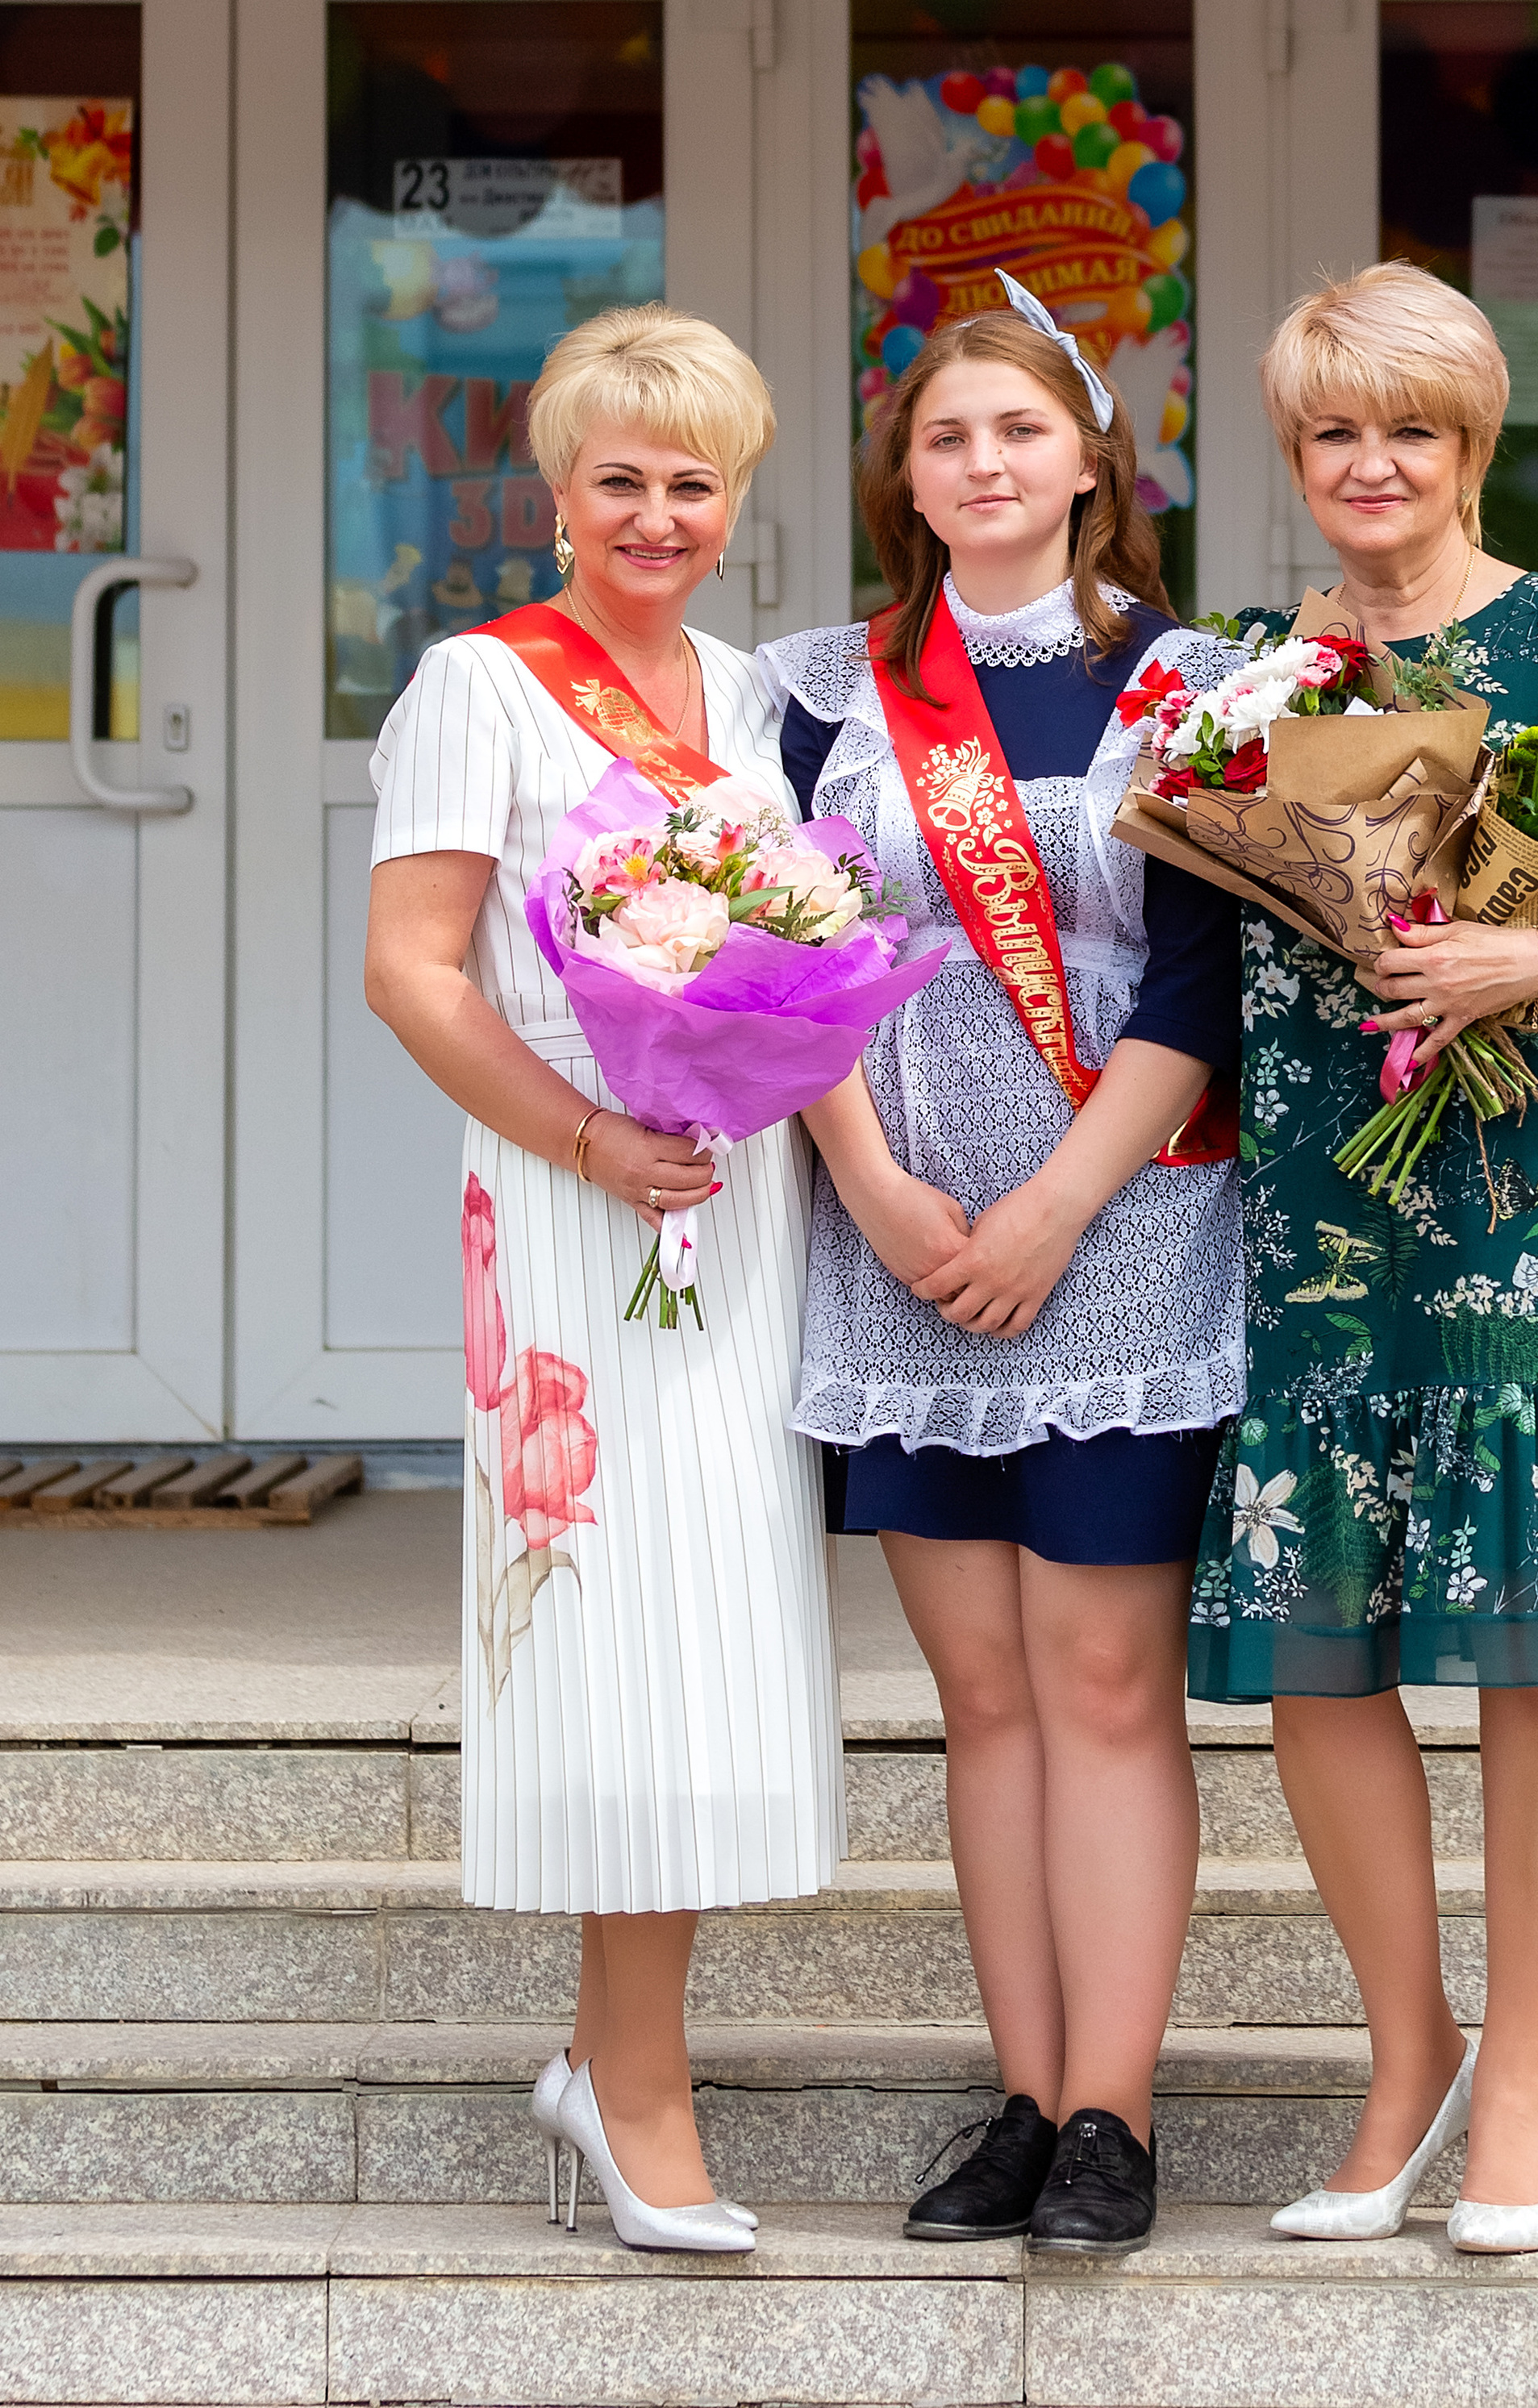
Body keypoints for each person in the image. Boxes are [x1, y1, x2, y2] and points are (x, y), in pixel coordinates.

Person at [1188, 264, 1538, 2256]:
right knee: (1319, 1655)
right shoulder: (1237, 667)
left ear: (1468, 444)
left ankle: (1524, 2065)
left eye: (1407, 431)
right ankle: (1403, 2051)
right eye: (1333, 431)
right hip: (1322, 1199)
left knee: (1537, 1636)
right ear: (1293, 450)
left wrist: (1525, 953)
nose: (1370, 464)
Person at [761, 290, 1243, 2259]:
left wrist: (1056, 1202)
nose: (981, 467)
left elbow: (1213, 973)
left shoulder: (1193, 687)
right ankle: (1024, 2096)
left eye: (1017, 434)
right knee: (980, 1698)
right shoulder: (817, 688)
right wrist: (871, 1189)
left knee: (1105, 1679)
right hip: (896, 1233)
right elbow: (768, 963)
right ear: (908, 473)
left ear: (1088, 458)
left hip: (1120, 1227)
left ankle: (1115, 2113)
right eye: (946, 437)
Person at [363, 302, 843, 2258]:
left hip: (726, 1197)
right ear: (556, 493)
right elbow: (415, 968)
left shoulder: (747, 696)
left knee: (714, 1619)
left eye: (694, 481)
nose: (657, 512)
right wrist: (583, 1138)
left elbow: (795, 945)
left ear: (737, 500)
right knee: (612, 1627)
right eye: (620, 478)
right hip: (573, 1201)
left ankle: (609, 2049)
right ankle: (634, 2084)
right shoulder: (483, 682)